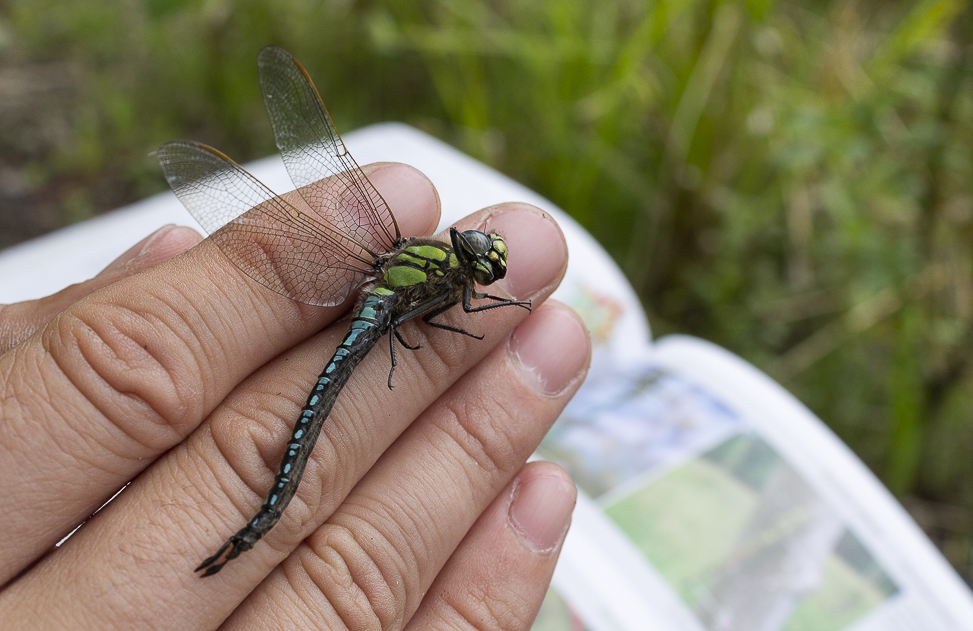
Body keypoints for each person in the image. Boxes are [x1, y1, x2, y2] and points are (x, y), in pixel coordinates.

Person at [0, 163, 590, 629]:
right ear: (463, 261)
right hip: (383, 317)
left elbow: (434, 320)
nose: (482, 263)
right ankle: (255, 525)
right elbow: (451, 318)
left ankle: (249, 530)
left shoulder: (432, 268)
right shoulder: (457, 287)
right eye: (479, 259)